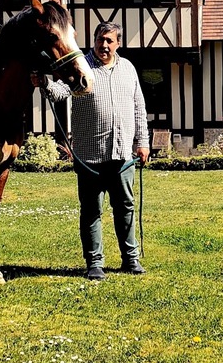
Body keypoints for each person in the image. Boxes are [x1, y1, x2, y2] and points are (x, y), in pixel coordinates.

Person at [39, 21, 149, 280]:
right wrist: (43, 83)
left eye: (110, 40)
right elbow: (59, 92)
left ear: (118, 43)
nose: (104, 45)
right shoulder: (82, 68)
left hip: (122, 155)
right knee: (91, 212)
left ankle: (130, 259)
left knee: (125, 207)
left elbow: (139, 109)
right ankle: (94, 263)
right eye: (101, 39)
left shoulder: (129, 69)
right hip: (90, 155)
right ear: (94, 40)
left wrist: (142, 142)